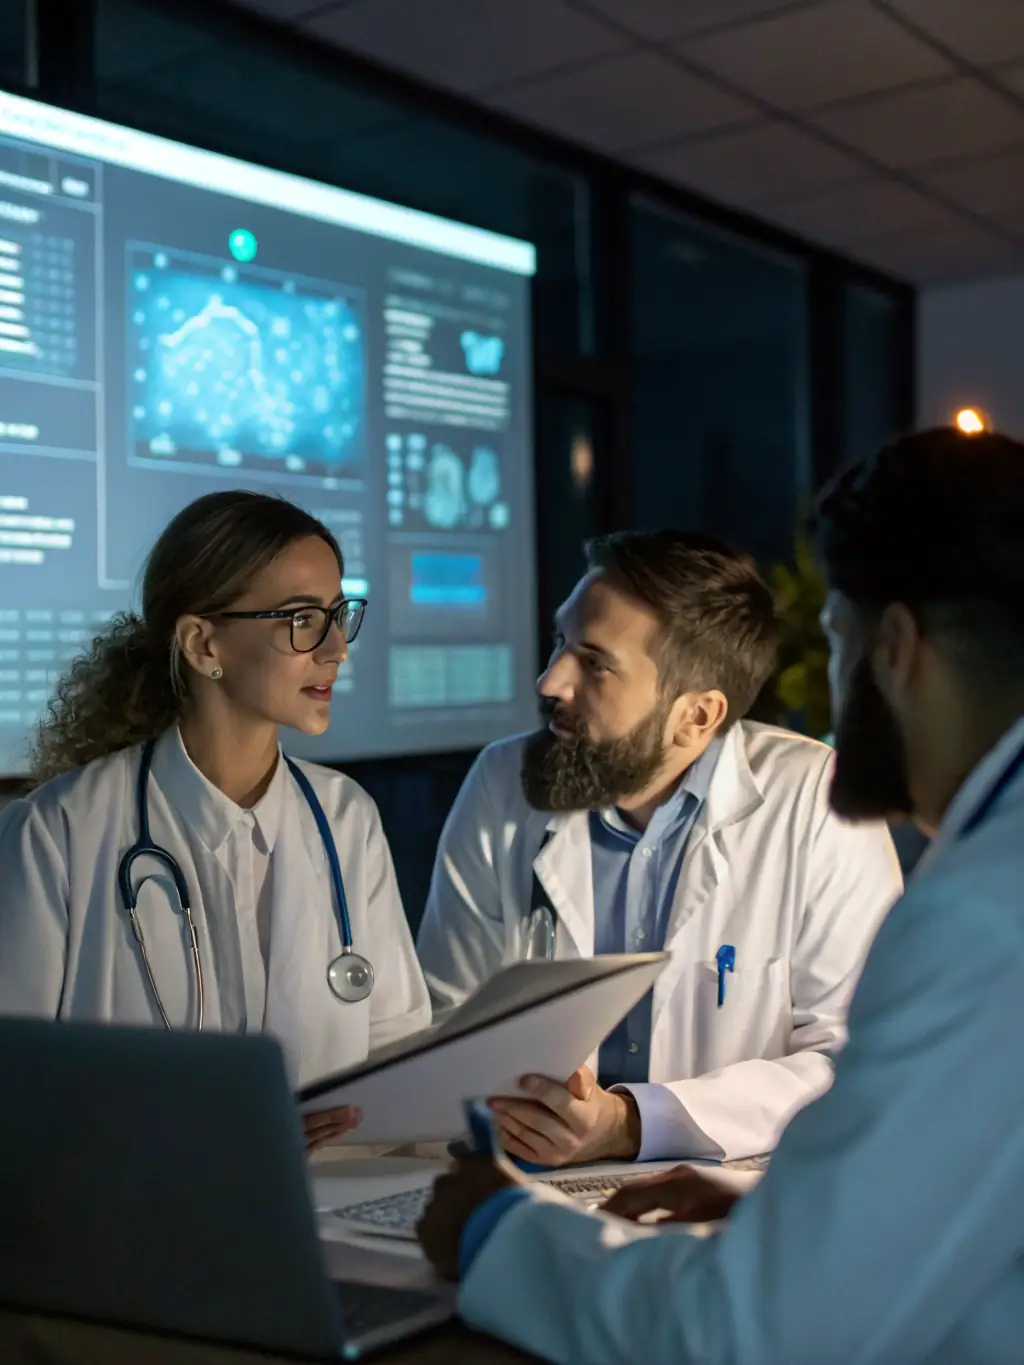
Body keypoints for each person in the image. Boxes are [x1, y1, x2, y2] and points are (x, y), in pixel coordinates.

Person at [417, 426, 1024, 1365]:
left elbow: (753, 1333)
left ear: (892, 647)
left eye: (833, 640)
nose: (551, 683)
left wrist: (498, 1228)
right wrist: (778, 1214)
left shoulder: (986, 913)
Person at [417, 530, 902, 1166]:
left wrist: (632, 1124)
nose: (551, 680)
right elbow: (450, 1018)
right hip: (526, 1178)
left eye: (595, 663)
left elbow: (854, 1057)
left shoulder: (818, 801)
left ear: (697, 716)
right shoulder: (502, 784)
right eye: (561, 641)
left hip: (731, 1195)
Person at [0, 490, 430, 1152]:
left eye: (339, 614)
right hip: (137, 1231)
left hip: (329, 1225)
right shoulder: (58, 833)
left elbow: (400, 1047)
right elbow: (19, 1094)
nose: (337, 647)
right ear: (203, 644)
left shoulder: (347, 818)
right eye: (302, 619)